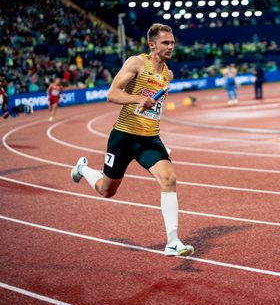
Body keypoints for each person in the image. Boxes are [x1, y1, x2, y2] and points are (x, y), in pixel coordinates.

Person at [70, 23, 194, 257]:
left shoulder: (168, 74)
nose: (171, 46)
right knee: (107, 190)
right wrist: (137, 98)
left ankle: (172, 241)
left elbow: (154, 107)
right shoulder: (136, 63)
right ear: (151, 44)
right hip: (124, 136)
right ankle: (83, 168)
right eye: (166, 42)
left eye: (173, 42)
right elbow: (112, 94)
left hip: (149, 138)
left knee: (169, 178)